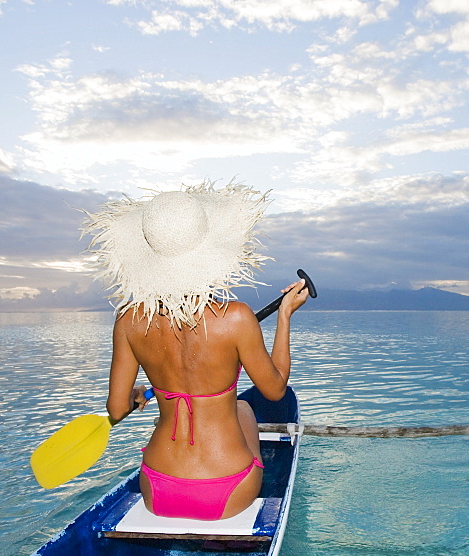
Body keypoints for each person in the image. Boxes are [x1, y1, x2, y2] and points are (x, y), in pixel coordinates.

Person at [83, 182, 309, 520]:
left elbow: (116, 409)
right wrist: (286, 315)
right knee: (244, 406)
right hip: (228, 489)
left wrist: (139, 393)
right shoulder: (236, 318)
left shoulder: (128, 321)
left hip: (157, 488)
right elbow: (276, 391)